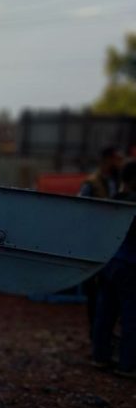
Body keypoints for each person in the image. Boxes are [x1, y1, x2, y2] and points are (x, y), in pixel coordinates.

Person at [91, 159, 136, 377]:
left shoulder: (114, 200)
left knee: (105, 313)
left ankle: (100, 357)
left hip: (108, 262)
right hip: (130, 265)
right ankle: (128, 365)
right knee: (131, 316)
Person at [79, 147, 124, 335]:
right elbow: (80, 210)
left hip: (114, 244)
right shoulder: (91, 183)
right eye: (117, 159)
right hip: (94, 243)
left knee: (111, 293)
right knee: (94, 292)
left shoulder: (120, 182)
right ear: (107, 160)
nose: (120, 163)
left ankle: (104, 334)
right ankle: (96, 333)